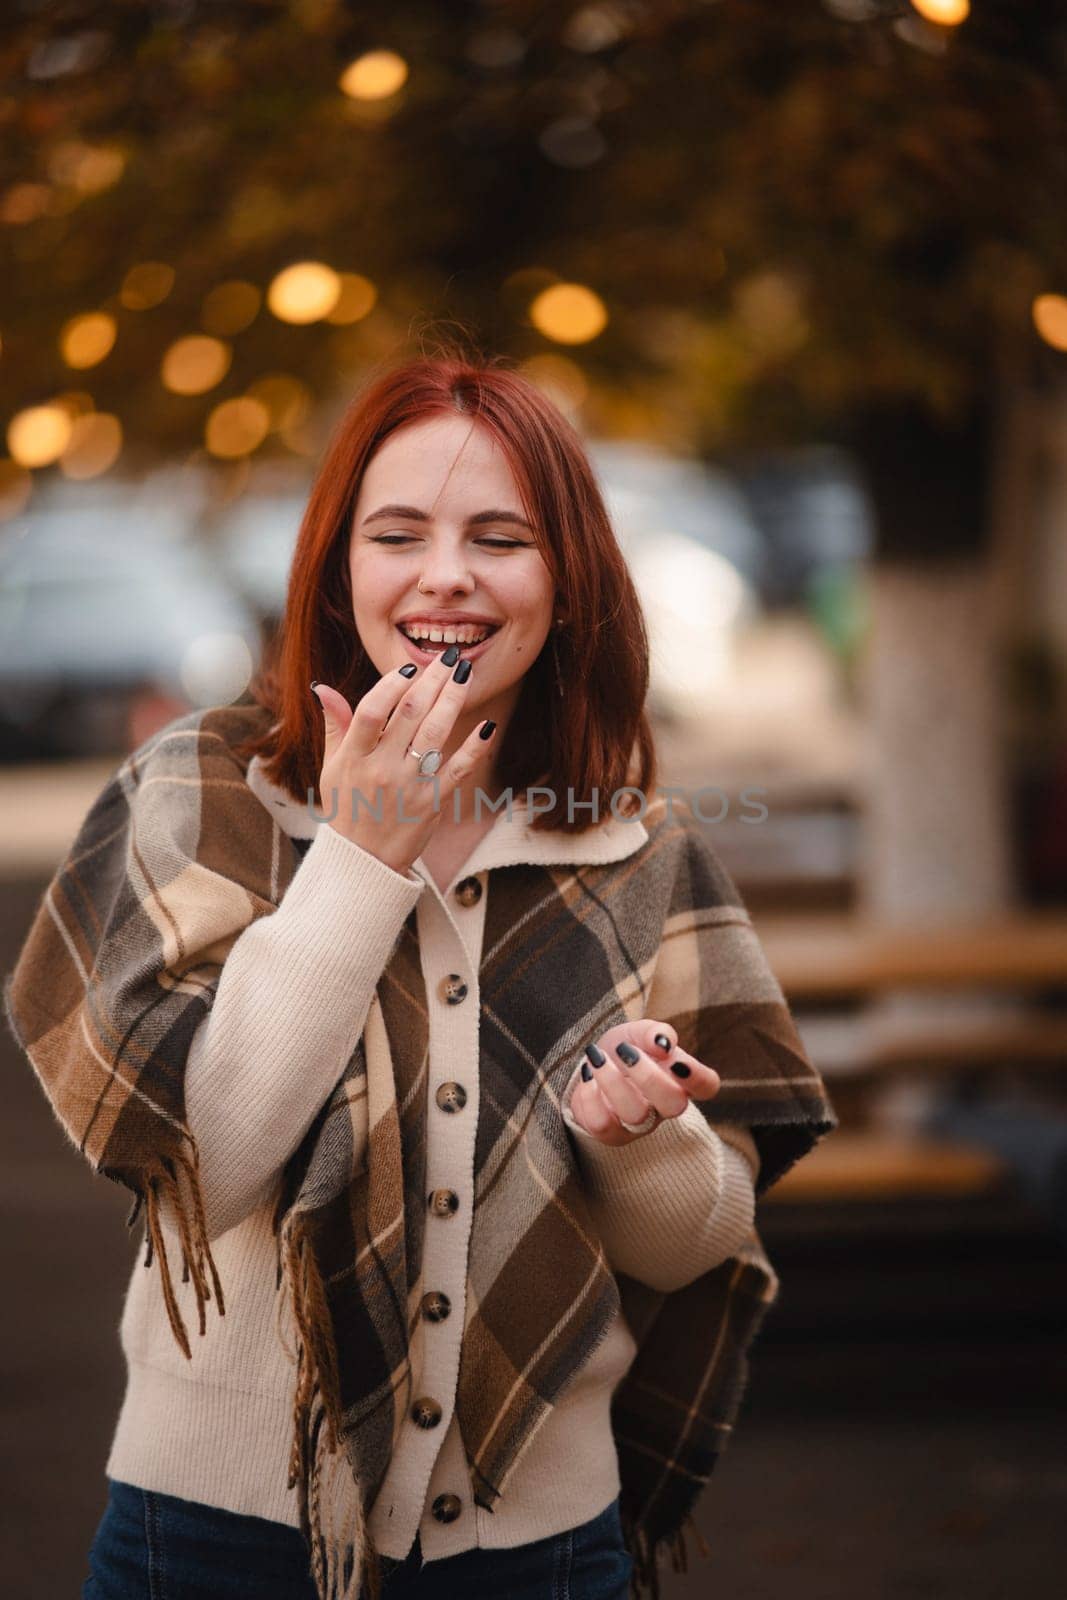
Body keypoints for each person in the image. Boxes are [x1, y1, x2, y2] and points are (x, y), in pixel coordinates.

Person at [5, 350, 837, 1600]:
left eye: (499, 537)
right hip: (219, 1534)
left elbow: (690, 1247)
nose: (445, 574)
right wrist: (358, 855)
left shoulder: (636, 844)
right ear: (341, 567)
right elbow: (201, 1161)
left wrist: (639, 1140)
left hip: (540, 1544)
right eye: (398, 533)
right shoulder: (201, 791)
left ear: (566, 578)